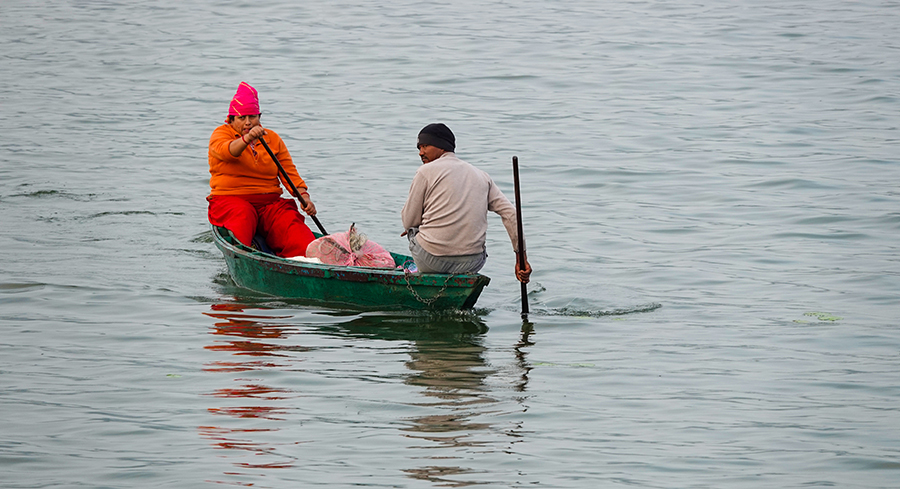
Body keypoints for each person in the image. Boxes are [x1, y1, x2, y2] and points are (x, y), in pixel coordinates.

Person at [401, 123, 532, 283]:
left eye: (425, 146)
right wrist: (521, 258)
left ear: (441, 146)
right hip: (472, 263)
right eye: (419, 148)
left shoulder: (425, 172)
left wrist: (415, 227)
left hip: (431, 260)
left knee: (412, 230)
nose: (421, 152)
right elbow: (511, 214)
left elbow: (409, 221)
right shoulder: (482, 176)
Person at [207, 82, 317, 258]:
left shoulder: (272, 138)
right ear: (231, 119)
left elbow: (289, 173)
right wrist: (247, 138)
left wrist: (304, 197)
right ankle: (245, 254)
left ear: (259, 117)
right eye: (242, 118)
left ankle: (308, 259)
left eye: (252, 117)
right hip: (231, 200)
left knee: (292, 225)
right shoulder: (221, 134)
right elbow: (228, 152)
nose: (248, 122)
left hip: (269, 203)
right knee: (243, 215)